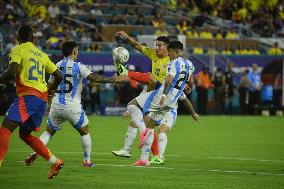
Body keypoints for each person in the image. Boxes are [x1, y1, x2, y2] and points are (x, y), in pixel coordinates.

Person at [24, 41, 122, 167]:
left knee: (49, 132)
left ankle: (34, 152)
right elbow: (94, 78)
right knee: (85, 131)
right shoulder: (78, 66)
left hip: (56, 105)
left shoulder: (57, 65)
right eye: (77, 50)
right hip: (72, 106)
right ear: (74, 51)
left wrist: (48, 103)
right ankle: (87, 161)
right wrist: (113, 79)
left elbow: (49, 87)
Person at [0, 25, 64, 179]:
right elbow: (59, 76)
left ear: (17, 37)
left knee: (5, 130)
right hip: (41, 99)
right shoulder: (41, 54)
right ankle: (55, 161)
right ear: (33, 38)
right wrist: (49, 90)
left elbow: (11, 71)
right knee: (25, 134)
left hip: (28, 96)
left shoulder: (18, 49)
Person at [126, 41, 195, 166]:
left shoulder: (174, 63)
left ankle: (142, 134)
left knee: (132, 105)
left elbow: (168, 80)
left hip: (162, 95)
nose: (168, 54)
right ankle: (144, 159)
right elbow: (183, 80)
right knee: (151, 126)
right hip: (172, 101)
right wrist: (185, 87)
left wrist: (163, 95)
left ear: (177, 51)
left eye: (170, 51)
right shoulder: (190, 65)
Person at [115, 63, 199, 164]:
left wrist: (193, 113)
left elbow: (185, 100)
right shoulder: (149, 88)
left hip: (169, 112)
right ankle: (141, 156)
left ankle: (160, 157)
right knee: (145, 127)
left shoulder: (171, 87)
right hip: (156, 111)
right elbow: (142, 99)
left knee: (161, 131)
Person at [112, 32, 170, 160]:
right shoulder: (153, 54)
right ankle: (127, 150)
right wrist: (126, 37)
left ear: (167, 47)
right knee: (136, 120)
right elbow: (137, 46)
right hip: (150, 90)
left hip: (162, 95)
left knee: (147, 122)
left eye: (160, 45)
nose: (157, 48)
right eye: (156, 45)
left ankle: (155, 155)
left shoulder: (172, 61)